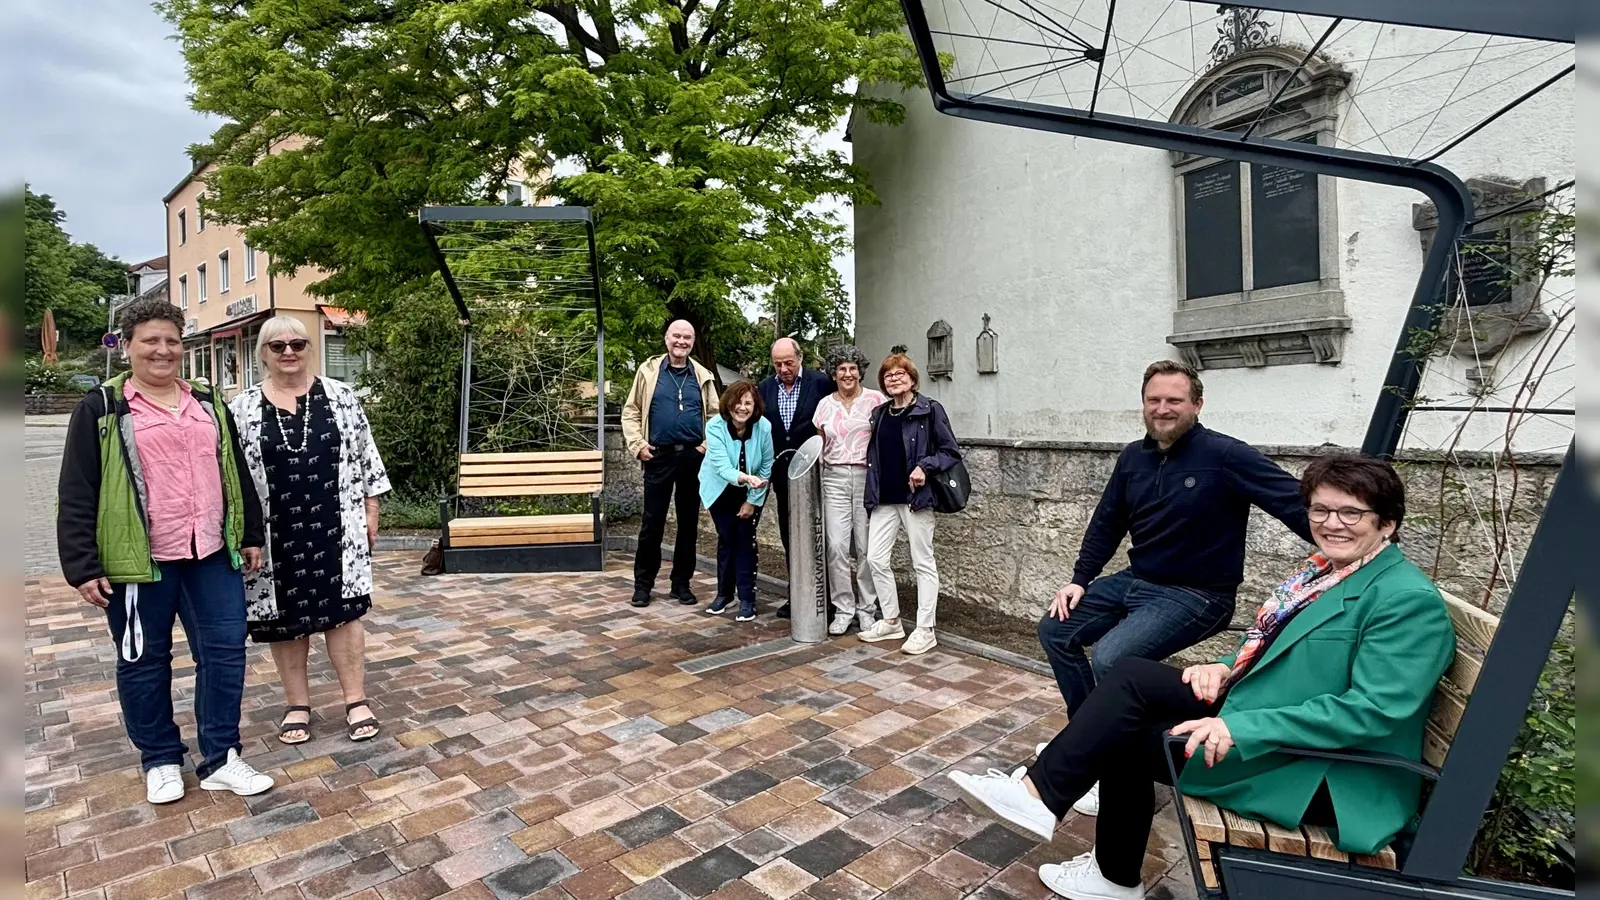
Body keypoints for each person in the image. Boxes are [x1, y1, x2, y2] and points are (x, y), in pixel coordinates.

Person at [950, 454, 1455, 900]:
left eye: (1351, 513)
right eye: (1320, 510)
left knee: (1122, 734)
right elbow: (1278, 646)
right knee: (1130, 676)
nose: (1331, 523)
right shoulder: (1328, 572)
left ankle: (1102, 864)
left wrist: (1238, 727)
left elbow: (1373, 710)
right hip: (1274, 720)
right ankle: (1044, 799)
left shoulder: (1406, 601)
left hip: (1324, 771)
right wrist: (1225, 667)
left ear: (1387, 524)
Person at [1040, 359, 1314, 815]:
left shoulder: (1225, 455)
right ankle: (1090, 744)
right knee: (1055, 629)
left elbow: (1292, 502)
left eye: (1174, 400)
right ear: (1144, 404)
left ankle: (1097, 763)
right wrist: (1078, 580)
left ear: (1197, 404)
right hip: (1138, 581)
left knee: (1111, 659)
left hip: (1197, 594)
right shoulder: (1133, 457)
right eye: (1154, 400)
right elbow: (1107, 523)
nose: (1163, 409)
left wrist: (1352, 543)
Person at [56, 297, 275, 805]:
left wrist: (250, 534)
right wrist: (81, 564)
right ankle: (160, 758)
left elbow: (236, 471)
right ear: (127, 346)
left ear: (183, 346)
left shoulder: (206, 401)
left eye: (171, 341)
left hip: (210, 554)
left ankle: (222, 757)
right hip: (139, 562)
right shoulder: (104, 407)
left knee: (224, 655)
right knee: (143, 660)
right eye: (150, 340)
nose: (162, 350)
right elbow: (77, 488)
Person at [230, 316, 392, 744]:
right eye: (277, 345)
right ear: (262, 353)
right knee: (285, 621)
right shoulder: (241, 407)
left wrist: (371, 507)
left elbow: (365, 454)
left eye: (298, 344)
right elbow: (232, 476)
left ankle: (356, 699)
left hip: (336, 524)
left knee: (345, 615)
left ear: (309, 349)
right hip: (273, 531)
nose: (288, 352)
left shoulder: (341, 396)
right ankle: (297, 704)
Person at [858, 353, 961, 655]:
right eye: (888, 375)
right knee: (875, 558)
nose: (893, 379)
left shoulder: (929, 410)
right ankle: (891, 620)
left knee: (922, 562)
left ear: (913, 379)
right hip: (884, 499)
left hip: (915, 498)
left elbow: (950, 451)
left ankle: (925, 629)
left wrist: (924, 467)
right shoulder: (879, 414)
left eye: (900, 373)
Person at [621, 319, 720, 608]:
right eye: (676, 336)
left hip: (692, 457)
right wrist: (637, 445)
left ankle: (681, 584)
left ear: (692, 341)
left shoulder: (702, 375)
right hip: (658, 456)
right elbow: (631, 411)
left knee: (688, 524)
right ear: (666, 339)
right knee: (652, 523)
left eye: (687, 337)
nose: (681, 341)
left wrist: (706, 446)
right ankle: (643, 585)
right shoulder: (649, 372)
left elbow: (716, 415)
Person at [811, 345, 887, 635]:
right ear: (834, 373)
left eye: (852, 368)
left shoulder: (876, 401)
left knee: (867, 547)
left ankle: (867, 608)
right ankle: (843, 608)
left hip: (866, 477)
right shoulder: (824, 406)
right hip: (834, 478)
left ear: (860, 372)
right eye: (841, 368)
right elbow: (819, 447)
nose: (847, 373)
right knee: (837, 546)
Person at [758, 337, 836, 618]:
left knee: (820, 535)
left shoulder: (821, 383)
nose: (783, 368)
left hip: (816, 473)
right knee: (790, 536)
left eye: (788, 362)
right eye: (778, 364)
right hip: (782, 476)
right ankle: (798, 594)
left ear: (800, 358)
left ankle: (827, 598)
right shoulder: (765, 388)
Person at [699, 382, 775, 622]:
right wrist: (744, 478)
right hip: (720, 489)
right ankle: (724, 594)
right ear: (728, 404)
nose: (742, 408)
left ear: (755, 406)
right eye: (738, 402)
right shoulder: (714, 426)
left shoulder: (763, 427)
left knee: (745, 540)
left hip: (752, 490)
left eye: (748, 403)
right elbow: (721, 466)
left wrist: (752, 500)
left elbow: (766, 464)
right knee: (727, 538)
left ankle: (747, 598)